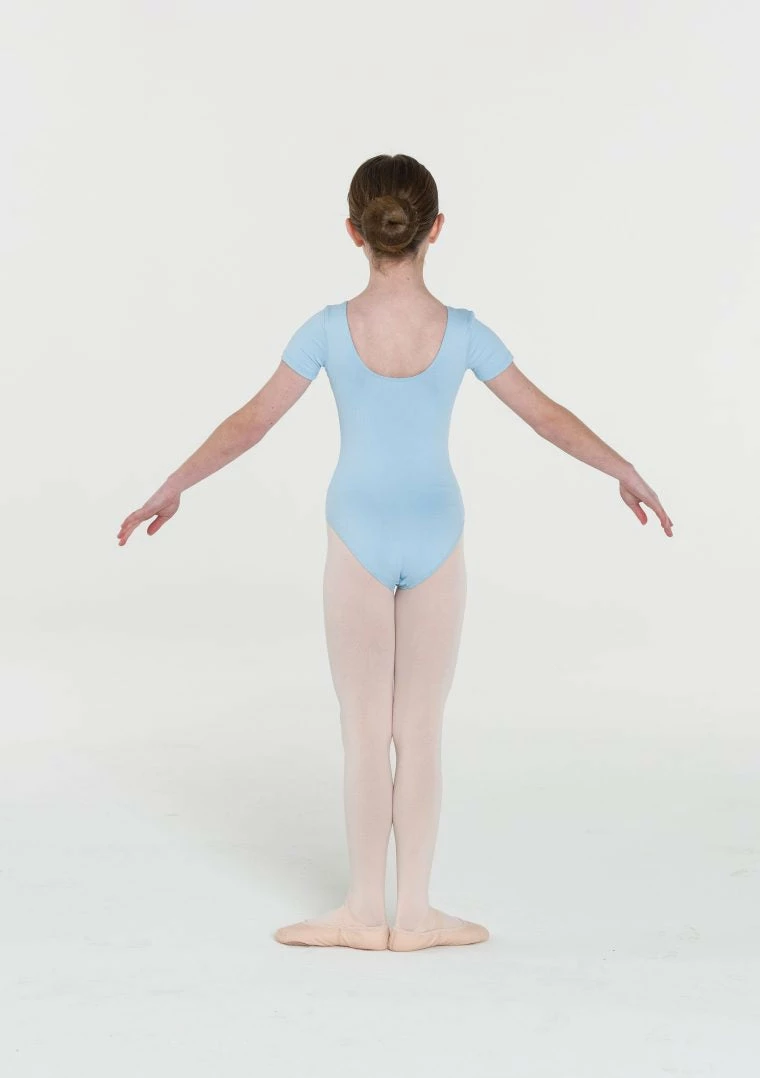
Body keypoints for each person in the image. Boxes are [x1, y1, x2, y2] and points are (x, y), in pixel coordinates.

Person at [117, 153, 674, 953]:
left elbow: (251, 422)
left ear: (354, 232)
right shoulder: (466, 332)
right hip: (437, 533)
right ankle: (413, 914)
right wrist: (623, 469)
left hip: (358, 536)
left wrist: (174, 485)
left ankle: (361, 912)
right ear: (434, 229)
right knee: (420, 729)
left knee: (363, 729)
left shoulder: (326, 329)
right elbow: (546, 417)